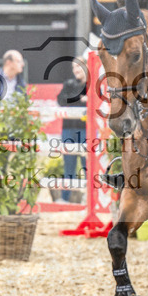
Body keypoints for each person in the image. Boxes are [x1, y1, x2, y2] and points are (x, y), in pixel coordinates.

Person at [58, 57, 88, 202]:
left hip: (86, 130)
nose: (76, 70)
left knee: (87, 165)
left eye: (79, 66)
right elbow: (61, 99)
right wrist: (80, 98)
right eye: (74, 67)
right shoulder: (69, 84)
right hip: (69, 129)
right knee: (68, 165)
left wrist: (77, 99)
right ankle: (65, 198)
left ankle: (89, 199)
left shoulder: (93, 86)